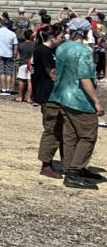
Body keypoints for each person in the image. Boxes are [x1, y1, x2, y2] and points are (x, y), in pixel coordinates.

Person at [50, 18, 104, 189]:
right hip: (80, 99)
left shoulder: (62, 47)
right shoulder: (84, 51)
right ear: (86, 32)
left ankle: (70, 168)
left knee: (70, 135)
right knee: (88, 136)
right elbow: (85, 78)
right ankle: (75, 170)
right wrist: (97, 101)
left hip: (63, 96)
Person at [33, 26, 64, 178]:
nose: (63, 39)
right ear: (52, 37)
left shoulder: (52, 51)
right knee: (52, 130)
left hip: (55, 95)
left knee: (61, 130)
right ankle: (46, 165)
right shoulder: (43, 51)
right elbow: (53, 75)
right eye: (60, 36)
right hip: (49, 96)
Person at [0, 18, 19, 96]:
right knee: (9, 72)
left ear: (0, 24)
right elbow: (15, 46)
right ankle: (8, 89)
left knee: (1, 71)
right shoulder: (12, 33)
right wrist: (15, 55)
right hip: (9, 53)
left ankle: (3, 89)